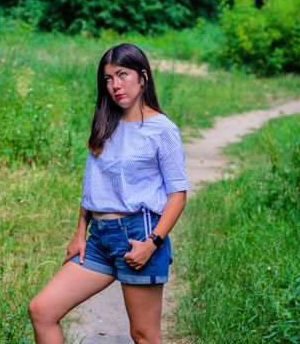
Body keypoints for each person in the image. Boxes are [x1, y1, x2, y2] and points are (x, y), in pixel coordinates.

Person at [28, 43, 189, 344]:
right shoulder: (106, 123)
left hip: (139, 235)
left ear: (143, 77)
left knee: (143, 335)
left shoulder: (162, 129)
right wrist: (79, 233)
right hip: (99, 238)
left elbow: (177, 195)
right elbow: (92, 184)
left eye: (122, 75)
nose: (115, 85)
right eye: (108, 78)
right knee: (42, 310)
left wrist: (153, 243)